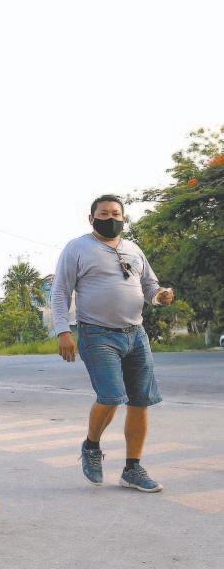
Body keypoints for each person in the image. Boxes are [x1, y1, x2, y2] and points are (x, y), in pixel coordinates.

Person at [50, 194, 175, 493]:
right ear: (91, 218)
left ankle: (132, 469)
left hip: (136, 333)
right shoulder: (77, 248)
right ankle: (91, 446)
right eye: (104, 214)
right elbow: (60, 291)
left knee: (140, 401)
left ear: (123, 218)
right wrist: (63, 331)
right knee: (110, 396)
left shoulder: (133, 249)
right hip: (97, 334)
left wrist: (160, 296)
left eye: (115, 214)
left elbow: (149, 286)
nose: (110, 218)